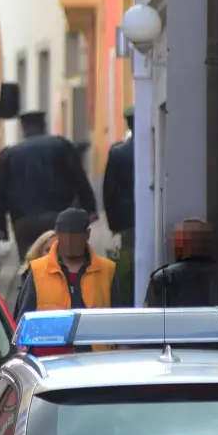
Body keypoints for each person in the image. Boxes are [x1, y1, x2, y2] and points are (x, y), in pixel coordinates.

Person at [0, 111, 98, 262]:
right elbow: (79, 178)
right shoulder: (61, 146)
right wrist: (90, 208)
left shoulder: (9, 154)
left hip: (23, 219)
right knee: (60, 261)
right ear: (44, 126)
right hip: (57, 216)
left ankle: (31, 284)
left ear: (23, 128)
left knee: (30, 264)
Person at [13, 207, 114, 320]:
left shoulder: (107, 270)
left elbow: (118, 320)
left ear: (87, 235)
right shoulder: (37, 271)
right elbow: (23, 323)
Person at [144, 218, 218, 308]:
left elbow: (151, 325)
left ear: (182, 244)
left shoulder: (164, 280)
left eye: (175, 242)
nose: (172, 246)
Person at [103, 109, 136, 305]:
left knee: (128, 261)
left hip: (127, 220)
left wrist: (113, 224)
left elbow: (109, 192)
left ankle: (127, 295)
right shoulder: (159, 146)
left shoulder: (118, 152)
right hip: (150, 218)